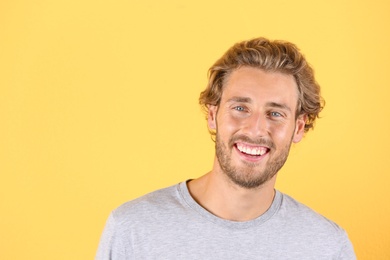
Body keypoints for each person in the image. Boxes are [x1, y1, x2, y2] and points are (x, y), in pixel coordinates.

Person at [96, 37, 356, 259]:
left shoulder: (326, 247)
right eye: (240, 108)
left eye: (275, 113)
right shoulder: (133, 229)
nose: (255, 129)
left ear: (298, 127)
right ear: (213, 115)